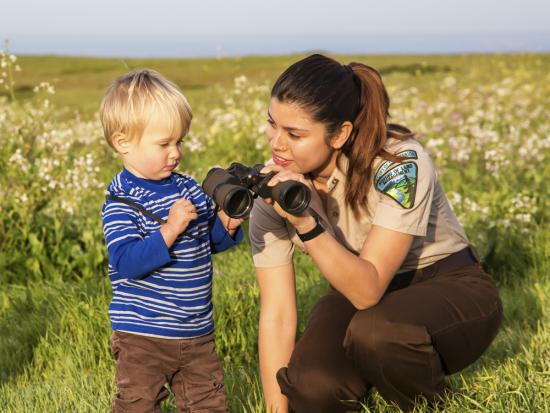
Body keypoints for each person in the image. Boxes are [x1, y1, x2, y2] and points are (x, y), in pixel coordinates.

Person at [249, 54, 503, 413]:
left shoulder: (400, 165)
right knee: (309, 387)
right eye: (272, 124)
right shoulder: (276, 189)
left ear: (340, 134)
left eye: (295, 134)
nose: (276, 143)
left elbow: (368, 291)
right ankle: (374, 373)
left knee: (376, 332)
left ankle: (431, 403)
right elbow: (276, 313)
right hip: (355, 293)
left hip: (446, 283)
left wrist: (307, 222)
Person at [99, 69, 244, 413]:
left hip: (196, 330)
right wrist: (170, 229)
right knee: (138, 403)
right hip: (143, 334)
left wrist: (228, 224)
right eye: (163, 144)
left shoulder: (187, 187)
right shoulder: (123, 201)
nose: (175, 153)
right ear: (123, 143)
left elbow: (207, 243)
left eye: (178, 142)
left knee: (208, 403)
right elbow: (127, 262)